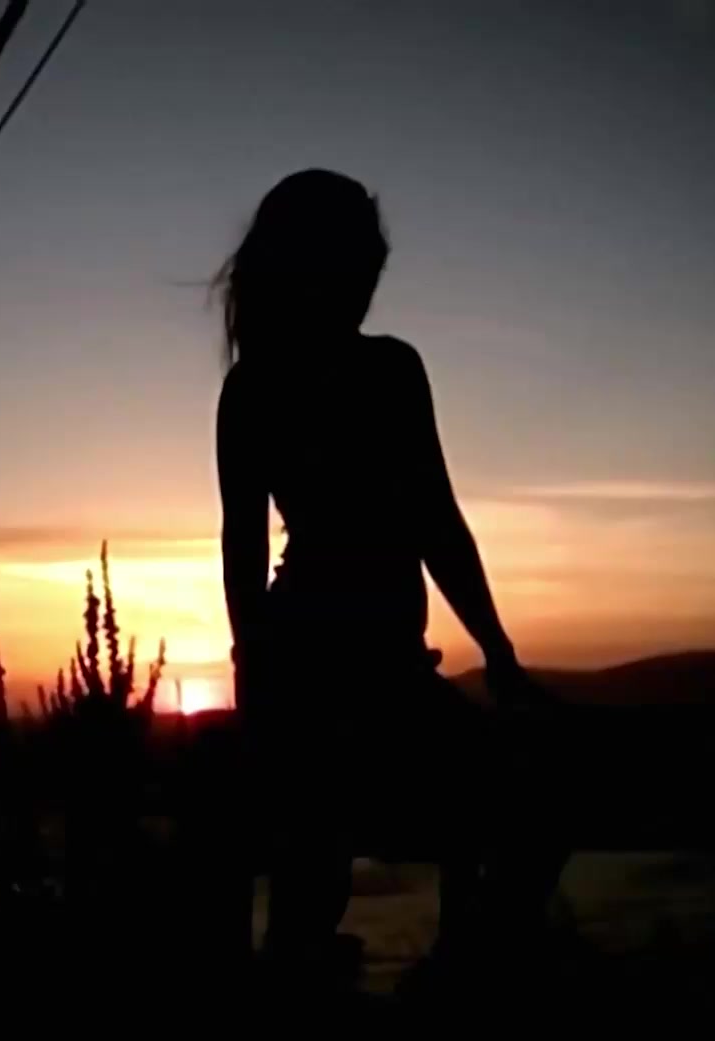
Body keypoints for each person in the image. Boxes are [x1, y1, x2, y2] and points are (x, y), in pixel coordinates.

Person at [213, 169, 553, 974]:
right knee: (521, 806)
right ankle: (459, 975)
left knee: (310, 886)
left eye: (374, 266)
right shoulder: (384, 372)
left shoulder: (255, 385)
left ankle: (415, 971)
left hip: (324, 670)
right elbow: (435, 523)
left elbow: (246, 555)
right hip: (347, 678)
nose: (368, 282)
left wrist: (258, 682)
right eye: (359, 262)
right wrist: (497, 653)